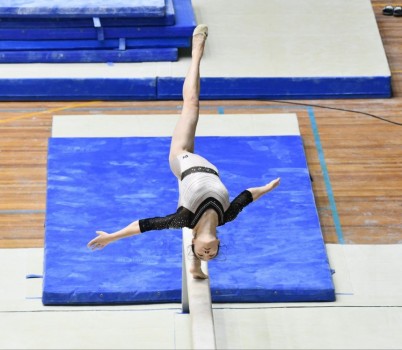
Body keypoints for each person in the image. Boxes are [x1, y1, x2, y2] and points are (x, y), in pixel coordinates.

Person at [87, 24, 280, 279]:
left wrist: (112, 237)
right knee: (194, 108)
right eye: (211, 255)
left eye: (202, 253)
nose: (208, 252)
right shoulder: (227, 215)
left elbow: (143, 225)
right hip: (203, 165)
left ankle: (197, 50)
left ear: (195, 244)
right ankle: (194, 268)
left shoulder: (183, 219)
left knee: (191, 103)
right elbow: (247, 196)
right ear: (218, 244)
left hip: (181, 158)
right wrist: (266, 188)